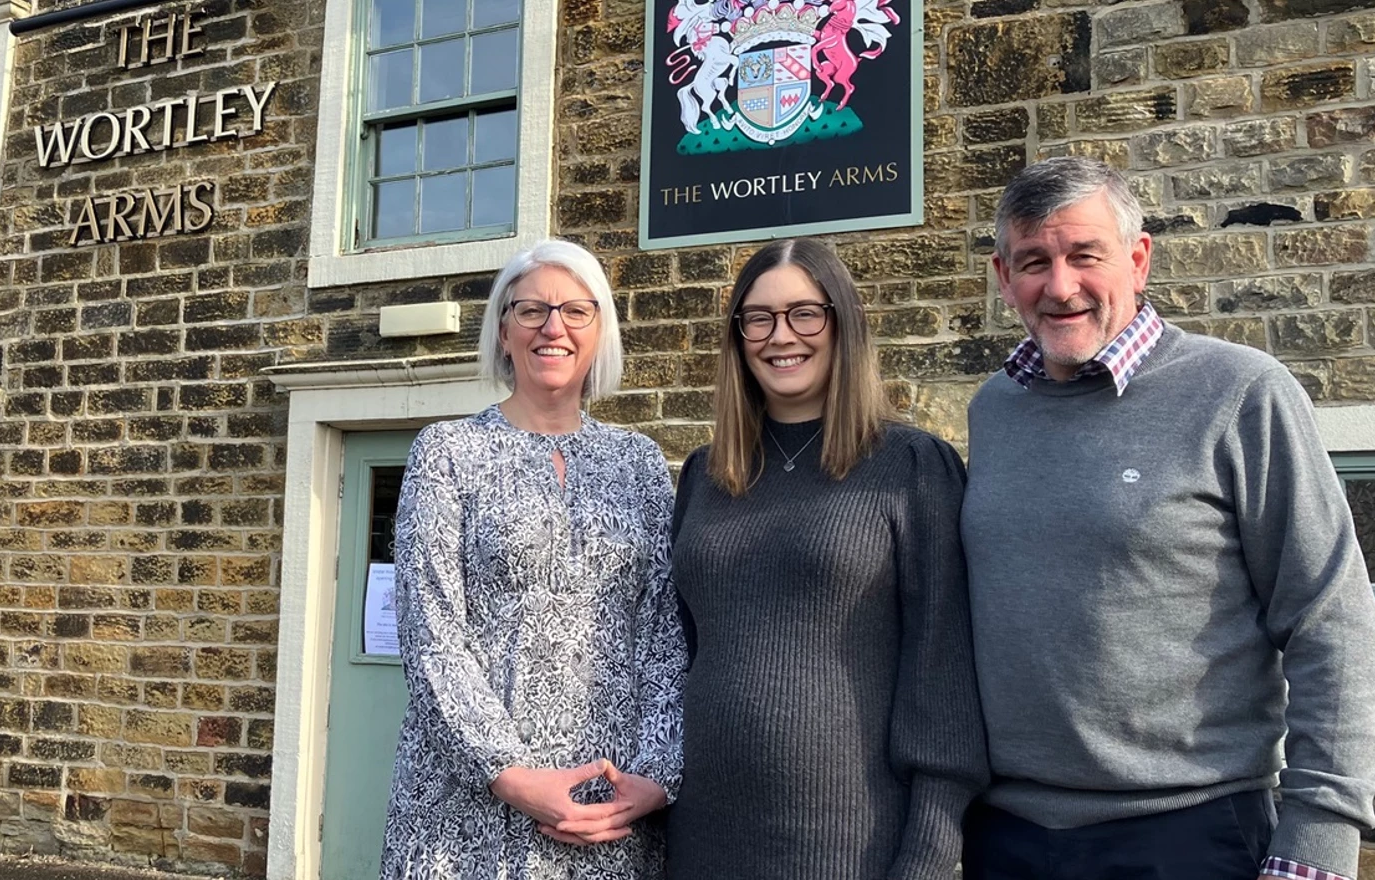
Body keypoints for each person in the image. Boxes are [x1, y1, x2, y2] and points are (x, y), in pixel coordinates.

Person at [960, 156, 1375, 880]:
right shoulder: (994, 410)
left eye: (1084, 256)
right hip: (1006, 836)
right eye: (1034, 261)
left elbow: (1334, 625)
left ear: (1137, 259)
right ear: (1006, 279)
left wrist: (1319, 841)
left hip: (1187, 836)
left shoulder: (1241, 393)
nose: (1059, 286)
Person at [665, 238, 988, 880]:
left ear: (843, 322)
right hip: (699, 831)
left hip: (848, 840)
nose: (780, 335)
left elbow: (942, 666)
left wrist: (928, 851)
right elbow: (682, 649)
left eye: (804, 313)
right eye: (758, 318)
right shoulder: (706, 474)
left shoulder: (910, 467)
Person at [380, 239, 687, 880]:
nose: (554, 327)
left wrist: (657, 775)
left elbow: (664, 634)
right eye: (532, 310)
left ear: (600, 331)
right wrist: (509, 774)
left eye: (577, 311)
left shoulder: (640, 463)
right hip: (468, 806)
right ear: (503, 329)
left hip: (609, 804)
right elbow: (430, 633)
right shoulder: (447, 453)